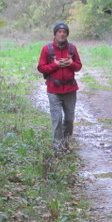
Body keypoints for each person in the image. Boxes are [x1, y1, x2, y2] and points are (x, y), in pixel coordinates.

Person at [37, 22, 82, 150]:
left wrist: (70, 63)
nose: (62, 34)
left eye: (64, 32)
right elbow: (41, 68)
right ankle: (57, 146)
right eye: (59, 32)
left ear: (67, 34)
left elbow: (78, 66)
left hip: (70, 89)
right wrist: (55, 65)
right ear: (55, 34)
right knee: (57, 118)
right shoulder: (47, 49)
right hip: (53, 89)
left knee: (69, 119)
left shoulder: (72, 48)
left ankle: (67, 143)